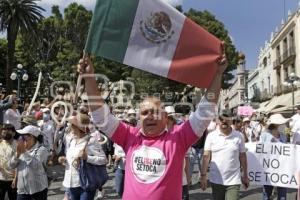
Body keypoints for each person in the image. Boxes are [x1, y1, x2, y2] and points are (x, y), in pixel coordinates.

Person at [77, 54, 227, 199]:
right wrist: (89, 78)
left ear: (165, 117)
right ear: (139, 118)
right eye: (144, 113)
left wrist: (219, 75)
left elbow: (204, 112)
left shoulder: (178, 138)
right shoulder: (129, 135)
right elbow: (100, 116)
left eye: (155, 112)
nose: (149, 116)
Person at [200, 110, 249, 200]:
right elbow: (206, 157)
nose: (224, 121)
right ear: (218, 120)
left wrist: (245, 175)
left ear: (231, 121)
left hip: (234, 180)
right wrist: (203, 176)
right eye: (221, 119)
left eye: (227, 119)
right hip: (216, 180)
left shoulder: (239, 136)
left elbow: (242, 156)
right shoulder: (211, 136)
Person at [58, 113, 107, 200]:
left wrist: (87, 158)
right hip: (71, 183)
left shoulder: (90, 141)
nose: (70, 126)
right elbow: (73, 159)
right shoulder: (72, 140)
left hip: (86, 183)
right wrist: (65, 160)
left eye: (72, 124)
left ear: (78, 127)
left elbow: (103, 159)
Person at [8, 125, 49, 200]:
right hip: (22, 191)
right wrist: (17, 155)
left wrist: (24, 152)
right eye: (21, 136)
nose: (22, 139)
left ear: (33, 137)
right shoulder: (21, 149)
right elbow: (11, 165)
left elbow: (36, 166)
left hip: (38, 191)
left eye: (24, 137)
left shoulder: (41, 150)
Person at [260, 113, 289, 200]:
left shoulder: (283, 137)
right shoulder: (264, 136)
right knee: (266, 195)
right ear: (275, 125)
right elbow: (260, 151)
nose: (283, 126)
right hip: (268, 170)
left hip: (282, 171)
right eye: (281, 124)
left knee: (282, 196)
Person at [0, 124, 17, 200]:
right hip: (1, 178)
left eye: (7, 132)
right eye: (3, 133)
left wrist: (15, 179)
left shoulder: (18, 145)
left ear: (13, 133)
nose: (4, 135)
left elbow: (20, 164)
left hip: (13, 180)